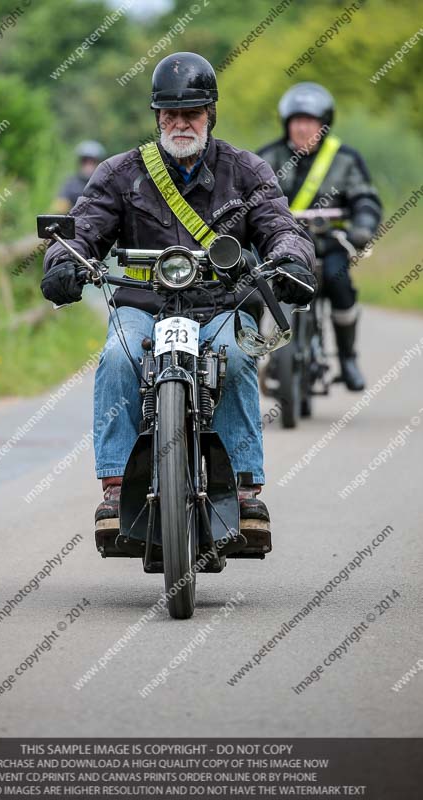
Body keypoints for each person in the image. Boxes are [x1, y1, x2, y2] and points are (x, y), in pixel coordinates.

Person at [41, 52, 316, 546]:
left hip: (220, 303)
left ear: (210, 113)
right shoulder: (120, 173)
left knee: (234, 358)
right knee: (117, 359)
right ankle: (115, 486)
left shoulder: (246, 171)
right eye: (170, 113)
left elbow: (281, 225)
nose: (180, 123)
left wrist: (291, 259)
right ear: (157, 117)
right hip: (141, 302)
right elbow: (82, 229)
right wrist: (63, 262)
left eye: (191, 113)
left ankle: (246, 488)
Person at [258, 82, 382, 391]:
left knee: (339, 283)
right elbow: (249, 199)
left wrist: (363, 226)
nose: (302, 128)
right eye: (297, 121)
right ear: (287, 124)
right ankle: (257, 356)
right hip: (281, 247)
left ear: (323, 125)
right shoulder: (267, 158)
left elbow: (365, 198)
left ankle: (347, 358)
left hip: (329, 245)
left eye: (310, 122)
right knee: (253, 289)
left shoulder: (345, 160)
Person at [55, 140, 106, 213]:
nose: (88, 166)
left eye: (92, 162)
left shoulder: (105, 184)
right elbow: (59, 207)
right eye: (85, 161)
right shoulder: (71, 183)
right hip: (75, 221)